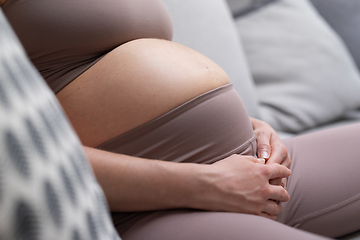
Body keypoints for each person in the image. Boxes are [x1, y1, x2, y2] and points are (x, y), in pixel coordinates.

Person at [2, 1, 360, 239]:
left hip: (251, 168)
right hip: (150, 209)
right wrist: (208, 185)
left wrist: (254, 126)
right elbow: (17, 159)